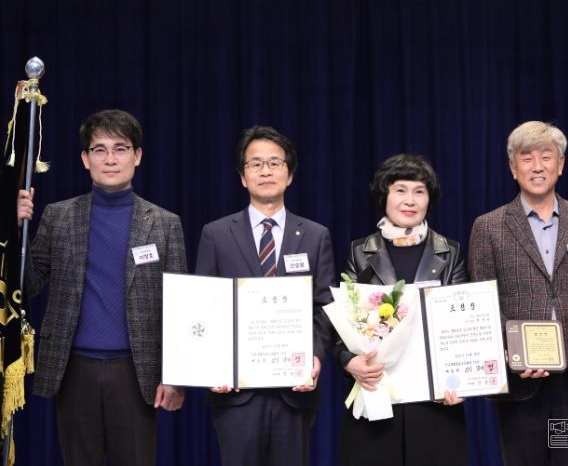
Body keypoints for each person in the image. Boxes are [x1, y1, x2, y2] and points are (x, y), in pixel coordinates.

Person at [16, 109, 187, 466]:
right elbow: (27, 285)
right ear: (85, 159)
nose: (110, 159)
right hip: (74, 370)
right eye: (99, 149)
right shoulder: (59, 216)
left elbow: (179, 308)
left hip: (136, 372)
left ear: (137, 156)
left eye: (121, 148)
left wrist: (177, 376)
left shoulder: (165, 224)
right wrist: (16, 228)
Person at [468, 121, 568, 465]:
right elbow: (482, 302)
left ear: (560, 164)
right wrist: (511, 353)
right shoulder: (488, 227)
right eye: (527, 158)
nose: (537, 166)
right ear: (512, 167)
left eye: (546, 157)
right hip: (521, 380)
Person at [195, 125, 335, 466]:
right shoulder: (216, 234)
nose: (266, 171)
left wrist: (315, 357)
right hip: (236, 394)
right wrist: (212, 365)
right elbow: (203, 307)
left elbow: (324, 307)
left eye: (275, 163)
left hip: (294, 391)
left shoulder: (315, 235)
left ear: (290, 175)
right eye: (255, 164)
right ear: (243, 177)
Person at [335, 154, 468, 466]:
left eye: (419, 191)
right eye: (400, 190)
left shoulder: (450, 252)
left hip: (434, 401)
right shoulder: (360, 252)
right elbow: (343, 325)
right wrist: (349, 361)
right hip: (376, 394)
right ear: (385, 196)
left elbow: (463, 326)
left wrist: (459, 381)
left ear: (429, 199)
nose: (410, 200)